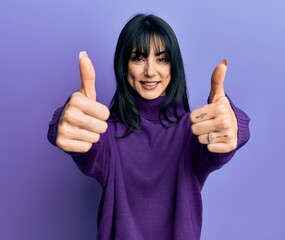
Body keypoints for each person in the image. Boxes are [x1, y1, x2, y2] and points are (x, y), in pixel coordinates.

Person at [48, 13, 250, 240]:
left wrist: (233, 123)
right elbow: (84, 144)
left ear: (174, 67)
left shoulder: (192, 131)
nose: (151, 71)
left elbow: (220, 145)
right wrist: (65, 120)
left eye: (162, 59)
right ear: (123, 65)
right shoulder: (107, 133)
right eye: (138, 58)